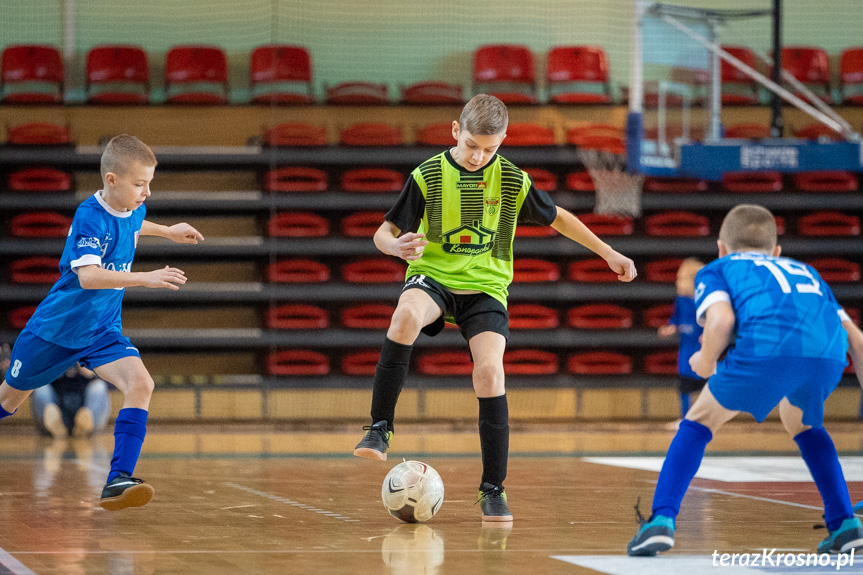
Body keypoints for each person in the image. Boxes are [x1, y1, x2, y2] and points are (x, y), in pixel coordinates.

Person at [352, 94, 637, 522]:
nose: (478, 155)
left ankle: (492, 489)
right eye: (470, 145)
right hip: (435, 277)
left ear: (504, 140)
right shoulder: (428, 175)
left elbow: (559, 217)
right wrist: (394, 246)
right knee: (406, 315)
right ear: (455, 131)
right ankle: (379, 427)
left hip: (486, 288)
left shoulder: (511, 179)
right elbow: (383, 232)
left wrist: (608, 252)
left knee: (490, 372)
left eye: (489, 148)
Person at [627, 204, 863, 556]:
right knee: (804, 423)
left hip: (766, 350)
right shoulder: (806, 271)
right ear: (777, 252)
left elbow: (720, 322)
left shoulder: (717, 269)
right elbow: (857, 340)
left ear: (721, 247)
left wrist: (704, 362)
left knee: (697, 424)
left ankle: (660, 521)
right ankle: (845, 523)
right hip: (827, 355)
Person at [0, 134, 204, 511]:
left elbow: (136, 224)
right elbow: (89, 277)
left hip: (101, 331)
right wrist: (147, 277)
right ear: (112, 180)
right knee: (8, 401)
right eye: (140, 184)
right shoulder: (89, 216)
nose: (147, 192)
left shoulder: (133, 208)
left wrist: (168, 231)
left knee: (141, 383)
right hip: (55, 331)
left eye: (150, 184)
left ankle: (117, 479)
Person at [657, 258, 706, 428]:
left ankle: (704, 418)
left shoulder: (703, 301)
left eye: (681, 279)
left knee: (705, 387)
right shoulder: (681, 300)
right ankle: (685, 418)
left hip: (702, 351)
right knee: (684, 387)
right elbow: (675, 319)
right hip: (685, 353)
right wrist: (671, 328)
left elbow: (713, 321)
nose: (677, 283)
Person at [31, 363, 110, 439]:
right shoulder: (50, 351)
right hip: (58, 406)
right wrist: (52, 371)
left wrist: (93, 371)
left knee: (99, 386)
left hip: (84, 407)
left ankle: (85, 426)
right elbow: (35, 376)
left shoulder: (91, 351)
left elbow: (108, 376)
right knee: (40, 388)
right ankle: (54, 426)